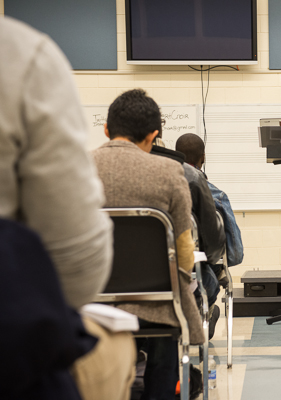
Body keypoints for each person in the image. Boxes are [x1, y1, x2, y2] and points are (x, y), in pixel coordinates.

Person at [0, 16, 135, 399]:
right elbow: (77, 270)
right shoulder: (22, 55)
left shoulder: (97, 159)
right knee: (111, 345)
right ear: (154, 133)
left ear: (107, 130)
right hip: (11, 356)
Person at [92, 89, 203, 400]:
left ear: (106, 129)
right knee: (167, 315)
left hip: (91, 301)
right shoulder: (169, 172)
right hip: (156, 301)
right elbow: (184, 251)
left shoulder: (76, 168)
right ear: (154, 135)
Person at [151, 140, 225, 339]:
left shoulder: (98, 171)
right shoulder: (192, 178)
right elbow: (212, 242)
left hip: (117, 285)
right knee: (206, 279)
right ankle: (201, 317)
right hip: (177, 276)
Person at [175, 133, 244, 270]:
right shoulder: (218, 196)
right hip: (199, 266)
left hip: (165, 264)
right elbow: (235, 255)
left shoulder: (160, 188)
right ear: (203, 157)